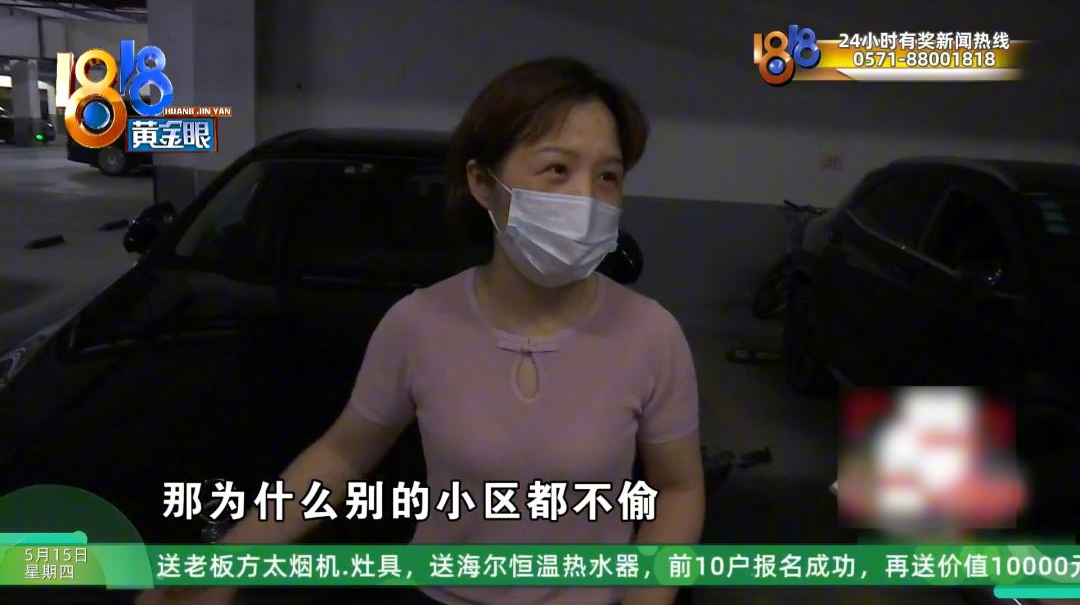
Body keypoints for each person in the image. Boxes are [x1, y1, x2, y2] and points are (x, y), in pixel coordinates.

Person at [137, 55, 704, 605]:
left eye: (608, 176)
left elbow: (677, 489)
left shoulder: (651, 334)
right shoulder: (419, 324)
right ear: (483, 183)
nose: (586, 198)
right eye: (557, 169)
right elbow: (340, 457)